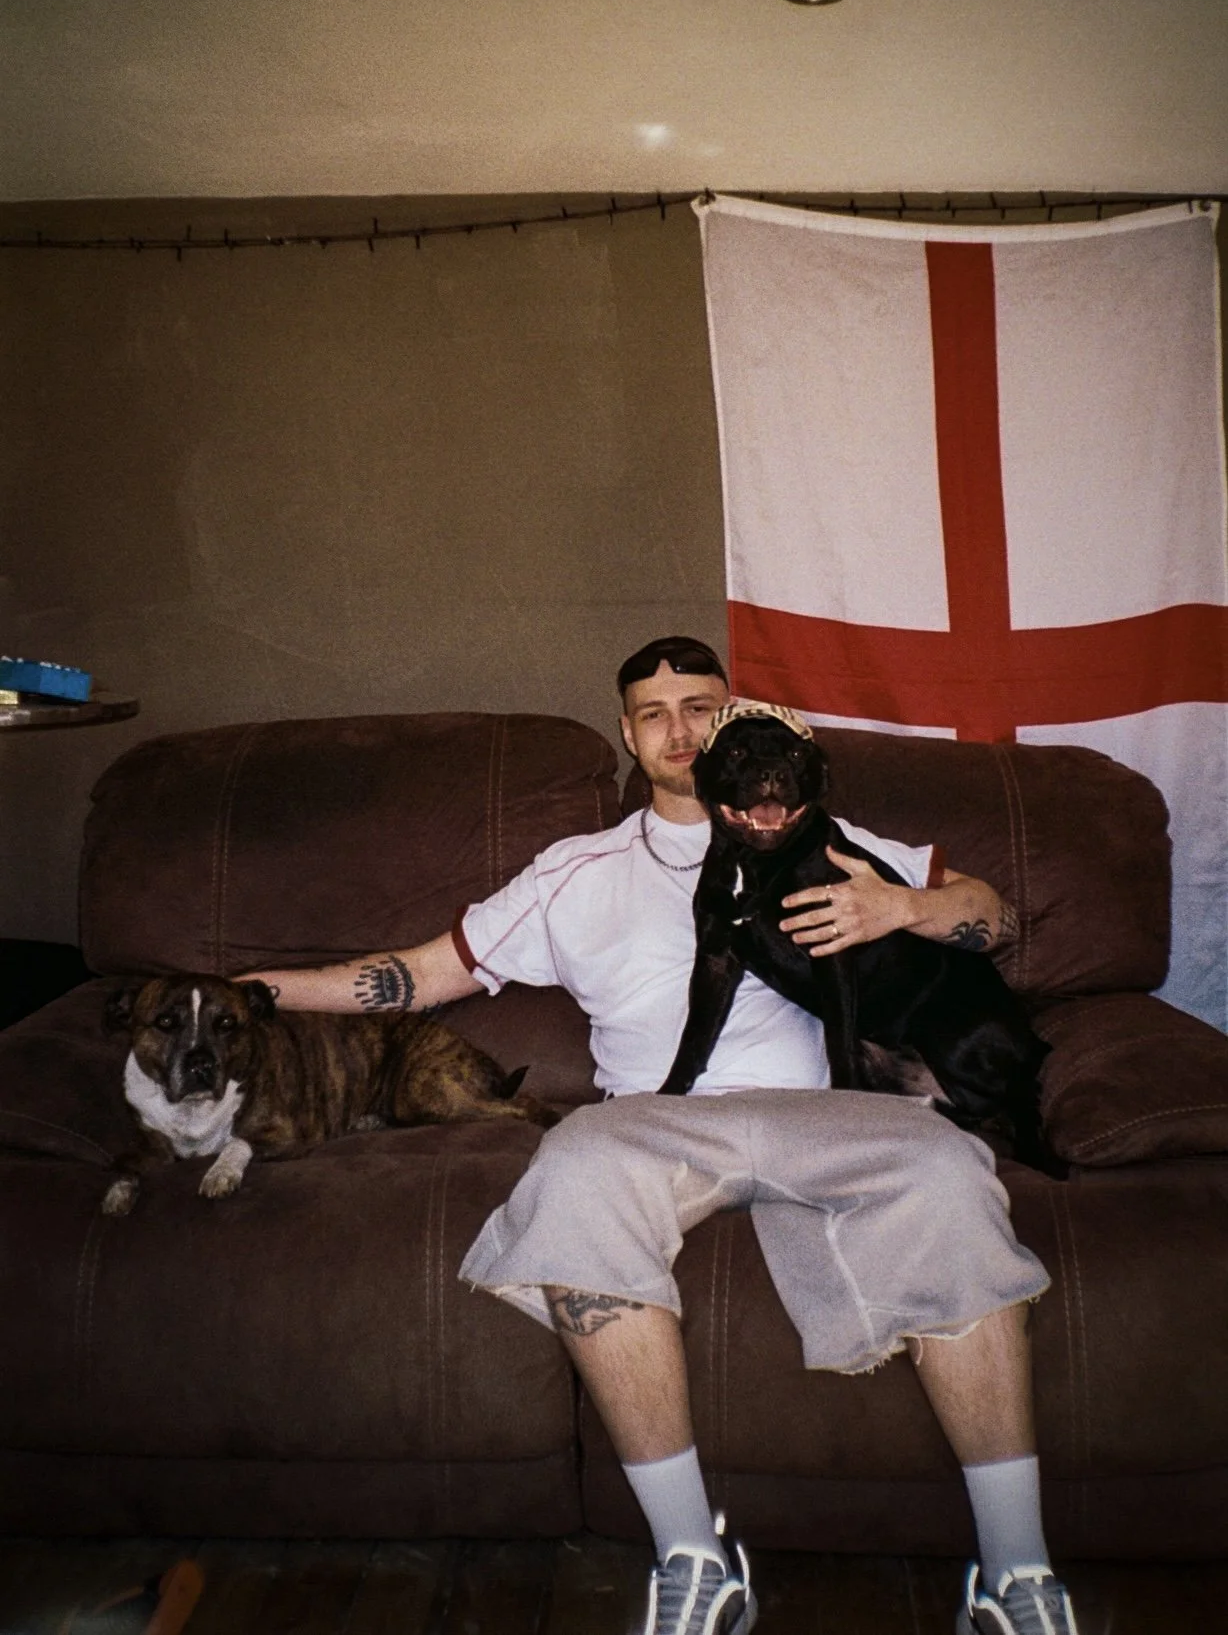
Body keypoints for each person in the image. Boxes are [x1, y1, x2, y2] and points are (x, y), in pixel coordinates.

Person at [250, 637, 1080, 1635]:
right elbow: (423, 973)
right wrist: (255, 991)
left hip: (833, 1112)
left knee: (950, 1173)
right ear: (628, 737)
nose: (680, 730)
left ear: (738, 725)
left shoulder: (827, 834)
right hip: (656, 1119)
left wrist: (900, 904)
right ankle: (694, 1557)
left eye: (701, 707)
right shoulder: (573, 872)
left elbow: (990, 915)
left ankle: (1016, 1573)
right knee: (573, 1168)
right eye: (653, 713)